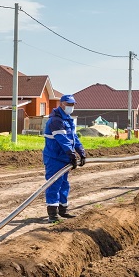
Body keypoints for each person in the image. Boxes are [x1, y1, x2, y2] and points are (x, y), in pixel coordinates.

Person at [43, 94, 86, 222]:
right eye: (69, 104)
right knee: (54, 184)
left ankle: (63, 210)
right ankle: (53, 214)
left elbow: (74, 138)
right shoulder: (56, 121)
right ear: (61, 104)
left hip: (64, 158)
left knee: (64, 184)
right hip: (54, 158)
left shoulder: (67, 119)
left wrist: (81, 151)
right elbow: (63, 140)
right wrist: (71, 154)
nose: (71, 107)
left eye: (72, 104)